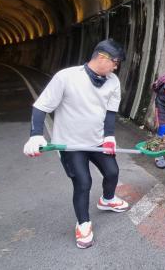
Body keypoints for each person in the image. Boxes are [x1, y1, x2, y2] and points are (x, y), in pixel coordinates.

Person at [23, 39, 130, 249]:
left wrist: (109, 136)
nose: (116, 67)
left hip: (97, 140)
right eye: (115, 62)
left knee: (112, 172)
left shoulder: (113, 82)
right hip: (70, 145)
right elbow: (41, 106)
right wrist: (35, 135)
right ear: (102, 57)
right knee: (83, 182)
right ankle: (83, 224)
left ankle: (107, 199)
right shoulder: (66, 77)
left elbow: (110, 112)